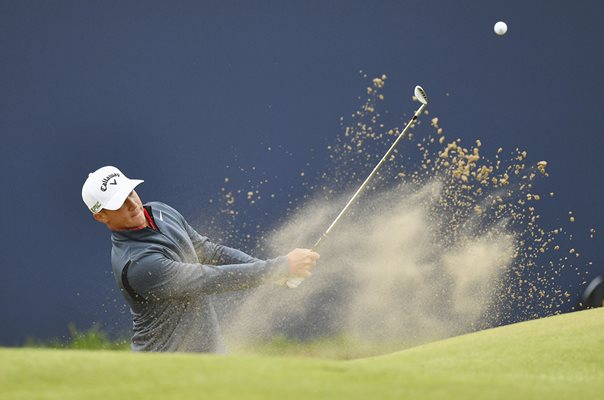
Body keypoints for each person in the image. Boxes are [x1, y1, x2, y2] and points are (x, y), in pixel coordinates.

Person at [82, 165, 319, 352]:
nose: (132, 204)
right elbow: (207, 278)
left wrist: (275, 272)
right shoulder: (137, 264)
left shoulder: (160, 211)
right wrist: (278, 268)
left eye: (130, 193)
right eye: (119, 203)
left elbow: (210, 253)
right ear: (101, 215)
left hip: (210, 355)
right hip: (165, 368)